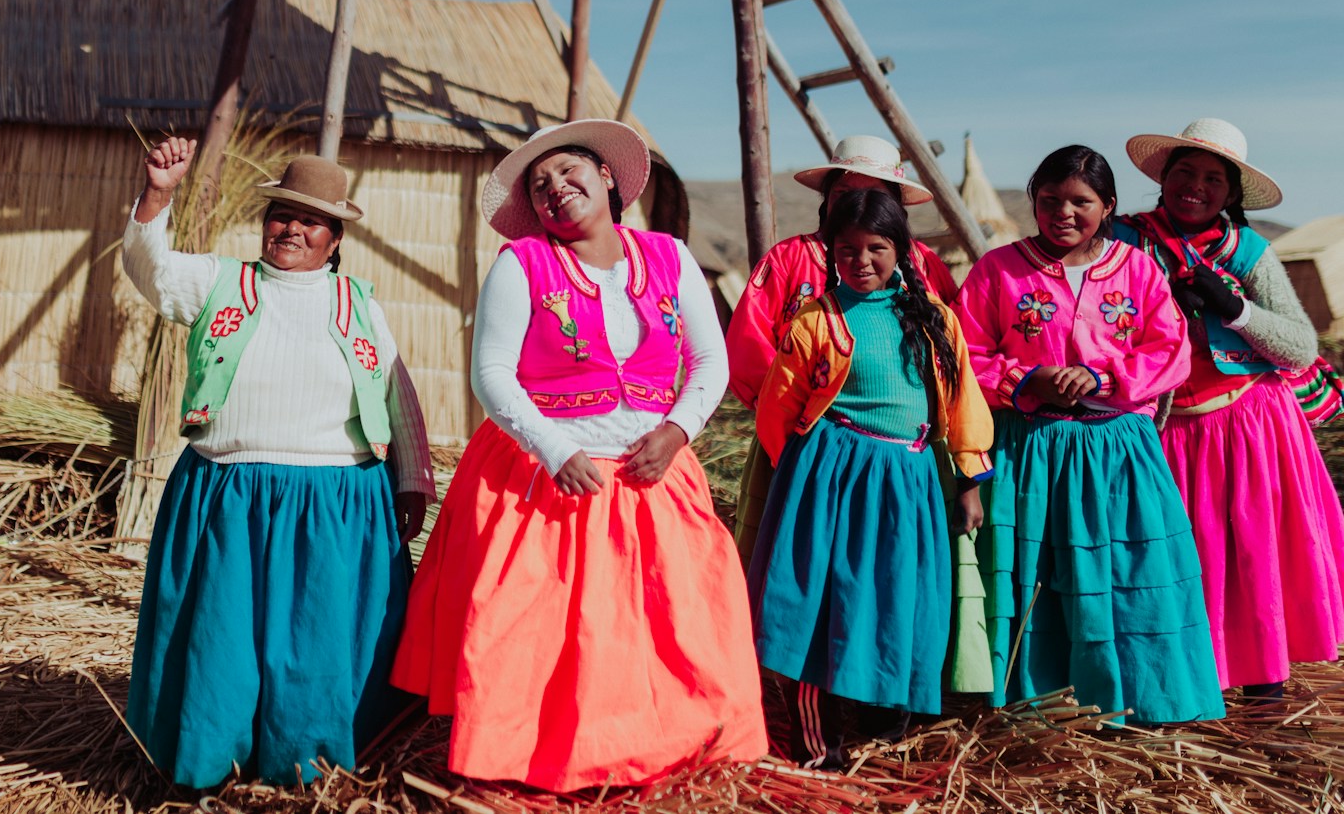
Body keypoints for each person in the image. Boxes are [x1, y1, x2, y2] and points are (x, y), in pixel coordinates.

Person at [391, 120, 765, 791]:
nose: (556, 191)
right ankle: (539, 755)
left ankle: (664, 749)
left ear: (607, 180)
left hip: (654, 473)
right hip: (550, 476)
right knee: (547, 630)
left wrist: (678, 431)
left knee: (667, 621)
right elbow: (493, 374)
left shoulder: (671, 259)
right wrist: (556, 448)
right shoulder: (523, 265)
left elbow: (710, 359)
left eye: (569, 174)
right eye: (540, 188)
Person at [122, 137, 436, 787]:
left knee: (315, 646)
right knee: (224, 641)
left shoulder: (359, 305)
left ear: (334, 237)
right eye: (282, 215)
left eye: (310, 220)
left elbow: (395, 391)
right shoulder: (220, 282)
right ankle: (215, 760)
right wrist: (159, 193)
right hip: (230, 495)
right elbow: (147, 269)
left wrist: (410, 477)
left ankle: (311, 765)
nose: (291, 228)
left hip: (336, 502)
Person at [954, 145, 1223, 724]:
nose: (1063, 213)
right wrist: (1029, 378)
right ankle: (1041, 707)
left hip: (1117, 453)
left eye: (1081, 201)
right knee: (1040, 577)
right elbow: (966, 353)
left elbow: (1168, 352)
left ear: (1109, 206)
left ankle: (1142, 701)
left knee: (1130, 572)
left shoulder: (1137, 269)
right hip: (1033, 449)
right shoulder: (997, 270)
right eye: (1049, 200)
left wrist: (1102, 376)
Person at [748, 188, 994, 769]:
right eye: (847, 250)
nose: (861, 261)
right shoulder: (815, 319)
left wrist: (969, 480)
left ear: (902, 249)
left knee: (899, 598)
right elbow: (776, 410)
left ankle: (887, 729)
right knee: (825, 601)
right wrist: (807, 481)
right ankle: (821, 743)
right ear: (831, 252)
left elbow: (963, 405)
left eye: (876, 248)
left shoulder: (935, 320)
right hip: (832, 479)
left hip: (907, 481)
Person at [1113, 118, 1344, 702]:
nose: (1196, 186)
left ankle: (1263, 684)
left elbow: (1299, 344)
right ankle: (1180, 682)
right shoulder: (1122, 243)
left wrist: (1234, 308)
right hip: (1163, 430)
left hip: (1247, 425)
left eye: (1213, 178)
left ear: (1232, 194)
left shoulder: (1249, 254)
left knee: (1251, 551)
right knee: (1179, 555)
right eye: (1185, 172)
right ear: (1163, 178)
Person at [724, 135, 958, 562]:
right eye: (844, 194)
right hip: (799, 438)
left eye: (873, 194)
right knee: (797, 553)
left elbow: (950, 346)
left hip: (901, 450)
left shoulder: (921, 265)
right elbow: (748, 342)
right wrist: (790, 426)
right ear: (826, 199)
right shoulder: (790, 258)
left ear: (895, 206)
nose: (856, 203)